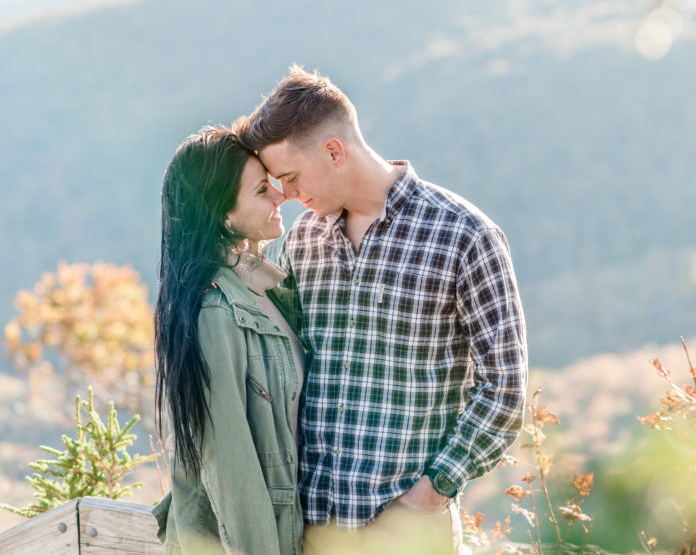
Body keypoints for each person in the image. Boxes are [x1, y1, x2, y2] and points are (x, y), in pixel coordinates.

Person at [235, 65, 528, 555]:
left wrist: (428, 496)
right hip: (308, 532)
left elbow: (505, 390)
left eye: (289, 177)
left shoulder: (464, 236)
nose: (286, 194)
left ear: (334, 151)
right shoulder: (304, 240)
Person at [151, 127, 305, 555]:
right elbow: (232, 471)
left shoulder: (263, 291)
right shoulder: (214, 313)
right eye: (261, 190)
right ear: (224, 216)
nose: (280, 196)